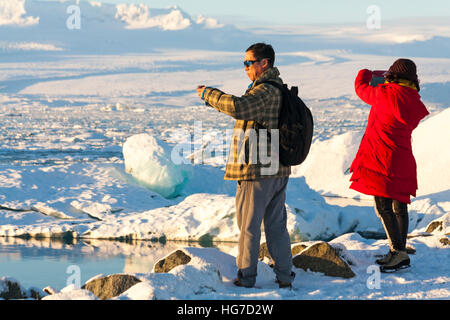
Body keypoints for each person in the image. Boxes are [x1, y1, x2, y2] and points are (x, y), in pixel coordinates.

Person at [196, 43, 295, 288]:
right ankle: (285, 277)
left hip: (257, 169)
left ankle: (246, 278)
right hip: (276, 168)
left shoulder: (266, 91)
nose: (245, 68)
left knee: (249, 228)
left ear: (264, 63)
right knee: (276, 227)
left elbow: (239, 107)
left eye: (249, 63)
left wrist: (209, 94)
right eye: (244, 63)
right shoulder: (276, 89)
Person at [349, 59, 429, 272]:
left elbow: (360, 87)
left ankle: (398, 254)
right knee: (399, 205)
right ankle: (400, 249)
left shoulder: (384, 94)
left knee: (383, 206)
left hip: (381, 158)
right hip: (403, 159)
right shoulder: (414, 101)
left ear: (392, 75)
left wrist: (367, 71)